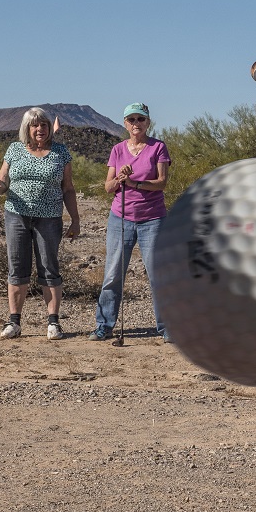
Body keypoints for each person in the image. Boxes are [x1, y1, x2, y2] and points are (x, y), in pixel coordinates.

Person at [0, 107, 80, 340]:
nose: (40, 129)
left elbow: (67, 188)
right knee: (17, 266)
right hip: (16, 214)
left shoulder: (60, 152)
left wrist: (75, 219)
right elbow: (3, 180)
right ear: (27, 128)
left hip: (49, 217)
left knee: (49, 266)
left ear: (49, 128)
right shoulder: (15, 150)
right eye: (35, 125)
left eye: (44, 125)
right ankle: (14, 322)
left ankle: (53, 323)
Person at [91, 102, 172, 342]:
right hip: (121, 218)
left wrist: (135, 183)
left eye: (140, 119)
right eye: (131, 120)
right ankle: (104, 325)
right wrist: (119, 178)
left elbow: (162, 182)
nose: (136, 124)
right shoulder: (117, 150)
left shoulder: (158, 147)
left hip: (153, 218)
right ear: (125, 123)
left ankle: (167, 326)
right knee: (113, 274)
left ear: (148, 122)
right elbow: (108, 187)